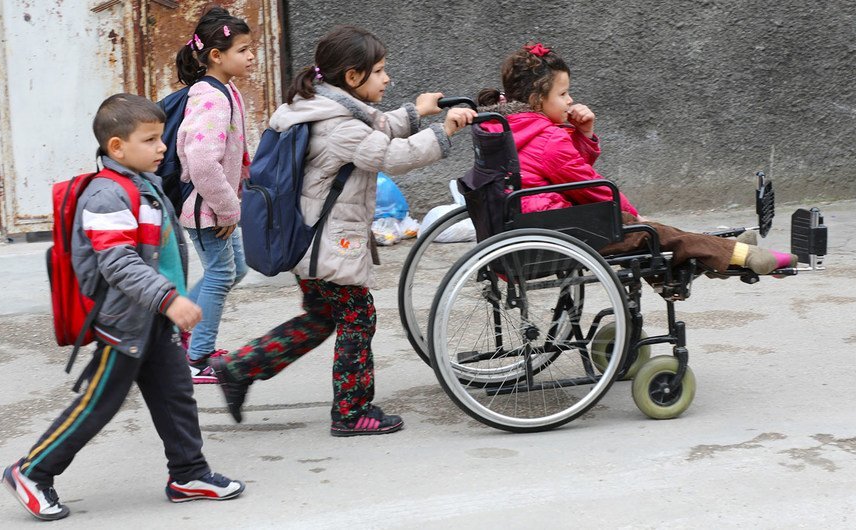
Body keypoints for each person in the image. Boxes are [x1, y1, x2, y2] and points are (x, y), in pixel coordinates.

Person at [210, 26, 478, 436]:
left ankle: (239, 368)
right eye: (380, 71)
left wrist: (415, 112)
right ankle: (352, 412)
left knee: (321, 317)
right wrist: (446, 132)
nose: (387, 79)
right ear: (353, 77)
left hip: (307, 238)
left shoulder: (324, 106)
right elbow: (389, 154)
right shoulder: (339, 125)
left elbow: (375, 128)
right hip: (327, 243)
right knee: (359, 317)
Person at [2, 94, 244, 522]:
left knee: (176, 396)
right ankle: (32, 471)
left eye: (160, 137)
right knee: (99, 403)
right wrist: (169, 299)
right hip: (126, 320)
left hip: (153, 318)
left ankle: (188, 474)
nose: (162, 147)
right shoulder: (107, 196)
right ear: (117, 147)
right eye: (150, 140)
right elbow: (118, 263)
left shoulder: (141, 182)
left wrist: (167, 304)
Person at [475, 42, 797, 275]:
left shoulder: (507, 126)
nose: (570, 99)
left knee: (651, 233)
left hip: (523, 231)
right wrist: (631, 215)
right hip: (555, 235)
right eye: (563, 94)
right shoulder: (547, 138)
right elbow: (590, 185)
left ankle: (718, 250)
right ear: (535, 99)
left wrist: (582, 135)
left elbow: (563, 171)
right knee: (648, 233)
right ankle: (737, 254)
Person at [174, 7, 253, 384]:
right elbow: (203, 162)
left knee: (236, 269)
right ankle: (197, 358)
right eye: (243, 50)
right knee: (222, 274)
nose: (250, 56)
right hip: (208, 208)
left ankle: (179, 324)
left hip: (216, 206)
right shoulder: (211, 97)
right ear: (216, 56)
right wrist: (228, 210)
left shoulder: (226, 90)